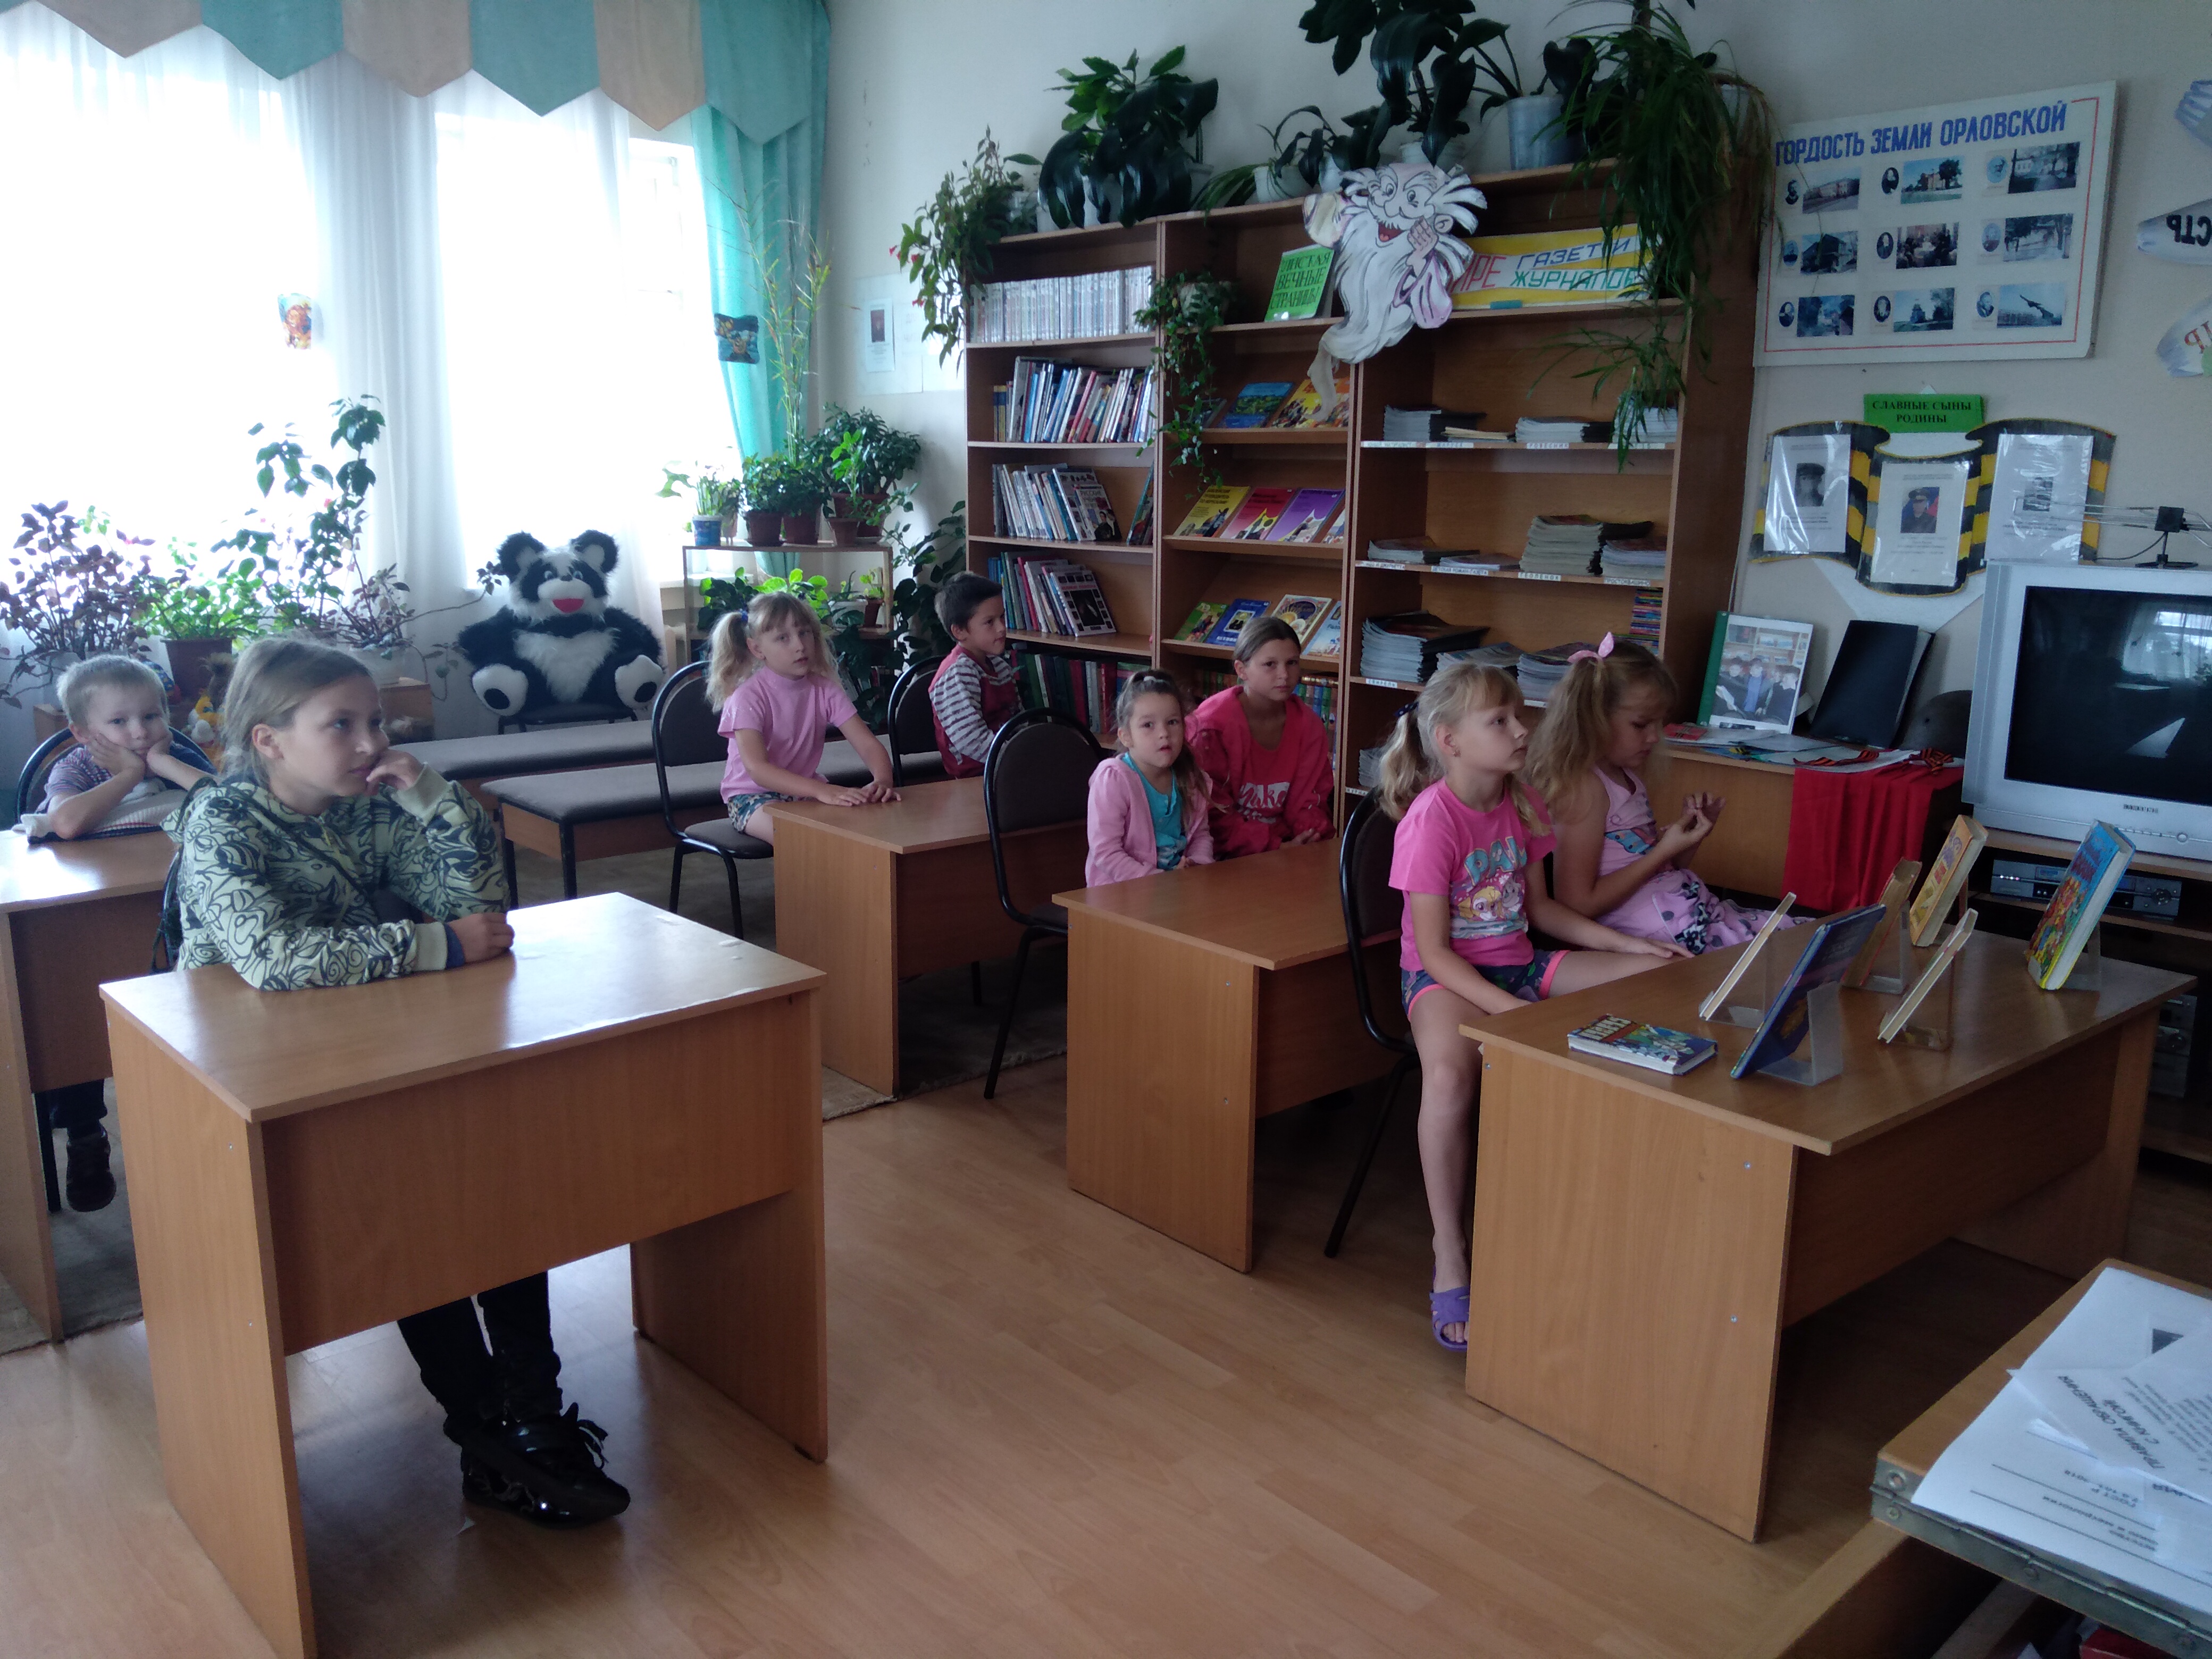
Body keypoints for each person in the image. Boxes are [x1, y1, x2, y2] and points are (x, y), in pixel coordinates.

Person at [169, 636, 629, 1528]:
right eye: (340, 725)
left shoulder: (369, 807)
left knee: (492, 1191)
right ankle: (490, 1429)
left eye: (374, 721)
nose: (371, 743)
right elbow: (273, 959)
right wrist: (434, 946)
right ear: (268, 740)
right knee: (407, 1218)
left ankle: (532, 1416)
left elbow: (478, 907)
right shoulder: (220, 822)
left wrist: (434, 799)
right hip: (247, 1076)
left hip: (366, 1039)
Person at [1378, 660, 1685, 1353]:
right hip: (1442, 982)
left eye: (1519, 716)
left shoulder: (1523, 802)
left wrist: (1627, 946)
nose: (1522, 730)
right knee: (1448, 1077)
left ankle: (1613, 1211)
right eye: (1500, 721)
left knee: (1654, 980)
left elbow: (1543, 911)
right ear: (1450, 741)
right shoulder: (1431, 821)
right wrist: (1503, 1012)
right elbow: (1435, 954)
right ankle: (1450, 1250)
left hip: (1520, 967)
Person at [22, 655, 214, 1209]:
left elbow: (231, 803)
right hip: (88, 920)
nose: (139, 733)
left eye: (151, 717)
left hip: (174, 906)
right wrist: (130, 776)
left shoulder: (177, 755)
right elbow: (66, 823)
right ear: (83, 733)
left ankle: (190, 1126)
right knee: (70, 1015)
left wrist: (164, 763)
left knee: (194, 1012)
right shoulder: (76, 768)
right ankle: (84, 1132)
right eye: (119, 722)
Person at [1526, 634, 1789, 955]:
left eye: (1659, 723)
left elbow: (1659, 871)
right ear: (1594, 719)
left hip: (1687, 914)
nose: (1654, 736)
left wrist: (1689, 838)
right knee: (1783, 953)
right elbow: (1577, 904)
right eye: (1641, 725)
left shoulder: (1626, 778)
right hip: (1657, 934)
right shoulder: (1584, 789)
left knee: (1797, 939)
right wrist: (1663, 851)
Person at [711, 592, 897, 845]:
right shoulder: (747, 697)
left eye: (804, 633)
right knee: (804, 840)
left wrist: (883, 781)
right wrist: (822, 790)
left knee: (862, 828)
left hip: (804, 793)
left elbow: (867, 745)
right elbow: (758, 770)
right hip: (752, 798)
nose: (799, 645)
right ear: (757, 648)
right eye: (783, 638)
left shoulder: (825, 689)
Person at [1185, 616, 1334, 858]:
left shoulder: (1309, 726)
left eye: (1292, 663)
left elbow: (1311, 802)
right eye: (1270, 664)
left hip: (1290, 847)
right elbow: (1213, 815)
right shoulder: (1211, 728)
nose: (1284, 675)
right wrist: (1273, 846)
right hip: (1224, 855)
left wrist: (1308, 838)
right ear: (1241, 670)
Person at [1084, 669, 1214, 885]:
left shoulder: (1191, 779)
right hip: (1121, 894)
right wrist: (1160, 882)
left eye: (1172, 722)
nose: (1164, 733)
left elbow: (1200, 835)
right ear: (1126, 736)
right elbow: (1106, 852)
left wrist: (1197, 864)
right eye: (1148, 725)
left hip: (1177, 890)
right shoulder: (1114, 779)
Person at [928, 572, 1021, 778]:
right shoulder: (957, 674)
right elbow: (971, 740)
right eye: (990, 622)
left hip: (1007, 766)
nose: (1002, 628)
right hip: (976, 776)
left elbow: (1016, 720)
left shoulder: (1000, 667)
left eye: (1002, 617)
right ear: (960, 632)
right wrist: (1019, 758)